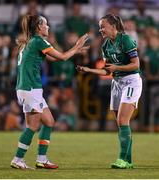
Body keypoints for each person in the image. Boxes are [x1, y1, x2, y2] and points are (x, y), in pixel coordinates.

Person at [10, 14, 89, 170]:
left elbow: (54, 58)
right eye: (46, 24)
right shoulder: (38, 41)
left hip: (28, 89)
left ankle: (41, 159)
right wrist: (76, 47)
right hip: (30, 88)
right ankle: (17, 159)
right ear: (39, 26)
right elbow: (62, 57)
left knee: (49, 121)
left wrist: (74, 51)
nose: (48, 27)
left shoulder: (29, 42)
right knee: (32, 126)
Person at [77, 14, 142, 169]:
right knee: (121, 124)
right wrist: (89, 70)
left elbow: (136, 65)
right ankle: (129, 161)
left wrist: (117, 68)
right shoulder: (105, 45)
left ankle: (121, 159)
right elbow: (107, 71)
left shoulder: (125, 40)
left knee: (122, 121)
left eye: (103, 26)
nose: (101, 29)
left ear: (113, 26)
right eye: (100, 27)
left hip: (131, 81)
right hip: (116, 82)